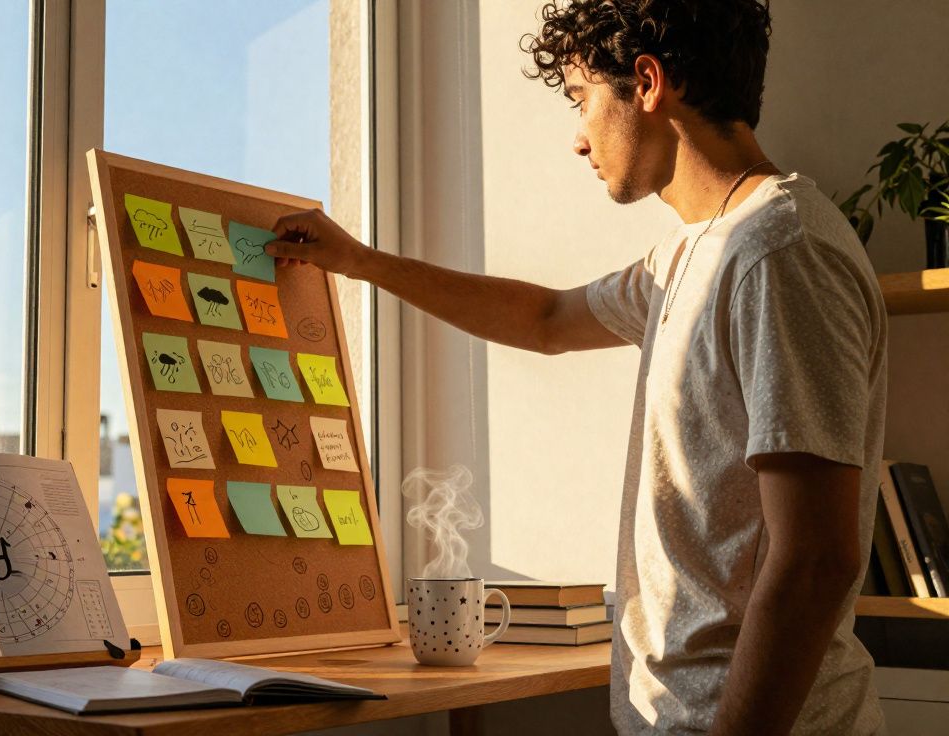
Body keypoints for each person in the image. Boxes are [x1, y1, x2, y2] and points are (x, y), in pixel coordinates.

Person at [264, 1, 886, 734]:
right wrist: (360, 263)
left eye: (581, 100)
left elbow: (816, 559)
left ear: (648, 84)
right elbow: (547, 319)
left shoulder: (780, 253)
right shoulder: (691, 255)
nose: (578, 140)